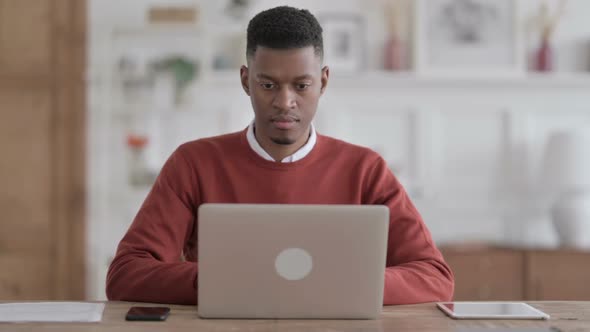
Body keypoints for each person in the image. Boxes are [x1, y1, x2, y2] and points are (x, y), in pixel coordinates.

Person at [106, 5, 454, 305]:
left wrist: (348, 286)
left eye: (301, 86)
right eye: (268, 84)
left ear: (323, 82)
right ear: (246, 81)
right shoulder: (193, 163)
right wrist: (225, 283)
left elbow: (435, 278)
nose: (284, 102)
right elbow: (126, 274)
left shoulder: (365, 169)